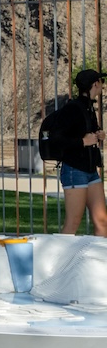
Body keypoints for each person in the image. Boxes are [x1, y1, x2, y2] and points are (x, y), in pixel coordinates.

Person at [44, 67, 107, 235]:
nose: (103, 85)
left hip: (91, 170)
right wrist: (83, 141)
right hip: (74, 170)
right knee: (73, 223)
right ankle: (59, 261)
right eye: (101, 82)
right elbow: (56, 138)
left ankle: (100, 260)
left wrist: (98, 134)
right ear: (95, 84)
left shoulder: (89, 107)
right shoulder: (72, 108)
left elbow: (85, 130)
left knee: (102, 222)